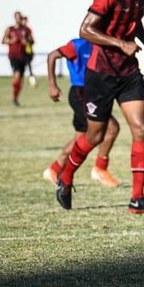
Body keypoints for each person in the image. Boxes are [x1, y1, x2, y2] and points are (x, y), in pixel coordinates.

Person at [54, 0, 144, 214]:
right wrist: (120, 44)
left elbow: (133, 21)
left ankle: (137, 198)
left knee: (141, 129)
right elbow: (86, 30)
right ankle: (65, 177)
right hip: (100, 73)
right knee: (94, 135)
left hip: (128, 73)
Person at [44, 38, 122, 188]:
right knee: (111, 128)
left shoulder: (105, 45)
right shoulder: (78, 45)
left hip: (95, 92)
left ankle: (55, 169)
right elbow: (52, 55)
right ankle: (100, 168)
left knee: (81, 138)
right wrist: (52, 85)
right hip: (81, 93)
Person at [1, 11, 35, 106]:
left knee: (21, 80)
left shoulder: (26, 30)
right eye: (17, 17)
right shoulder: (10, 29)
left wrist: (27, 41)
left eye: (20, 17)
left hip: (23, 56)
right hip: (13, 56)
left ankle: (15, 98)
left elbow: (32, 41)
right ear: (15, 18)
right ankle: (14, 93)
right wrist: (11, 41)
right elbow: (3, 41)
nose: (19, 19)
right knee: (17, 74)